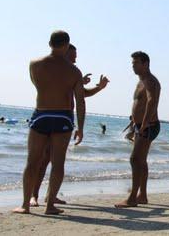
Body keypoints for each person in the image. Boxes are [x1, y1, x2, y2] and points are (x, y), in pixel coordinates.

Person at [13, 31, 86, 215]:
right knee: (58, 163)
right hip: (63, 116)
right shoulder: (74, 71)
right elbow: (80, 101)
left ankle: (25, 205)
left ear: (49, 43)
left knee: (32, 162)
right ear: (67, 45)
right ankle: (49, 205)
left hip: (42, 114)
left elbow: (37, 85)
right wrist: (81, 128)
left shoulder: (35, 64)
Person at [29, 43, 109, 207]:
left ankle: (51, 196)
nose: (76, 58)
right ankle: (34, 196)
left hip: (62, 119)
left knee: (54, 161)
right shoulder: (59, 70)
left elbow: (82, 95)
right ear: (65, 52)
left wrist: (98, 87)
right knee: (44, 160)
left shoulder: (72, 72)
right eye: (73, 54)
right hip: (52, 118)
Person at [115, 51, 161, 208]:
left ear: (145, 63)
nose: (133, 66)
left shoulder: (149, 81)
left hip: (148, 126)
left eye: (136, 63)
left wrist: (144, 124)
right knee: (141, 161)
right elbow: (140, 103)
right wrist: (134, 122)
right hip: (140, 125)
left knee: (135, 159)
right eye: (132, 63)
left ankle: (132, 198)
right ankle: (143, 195)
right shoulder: (140, 81)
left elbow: (151, 101)